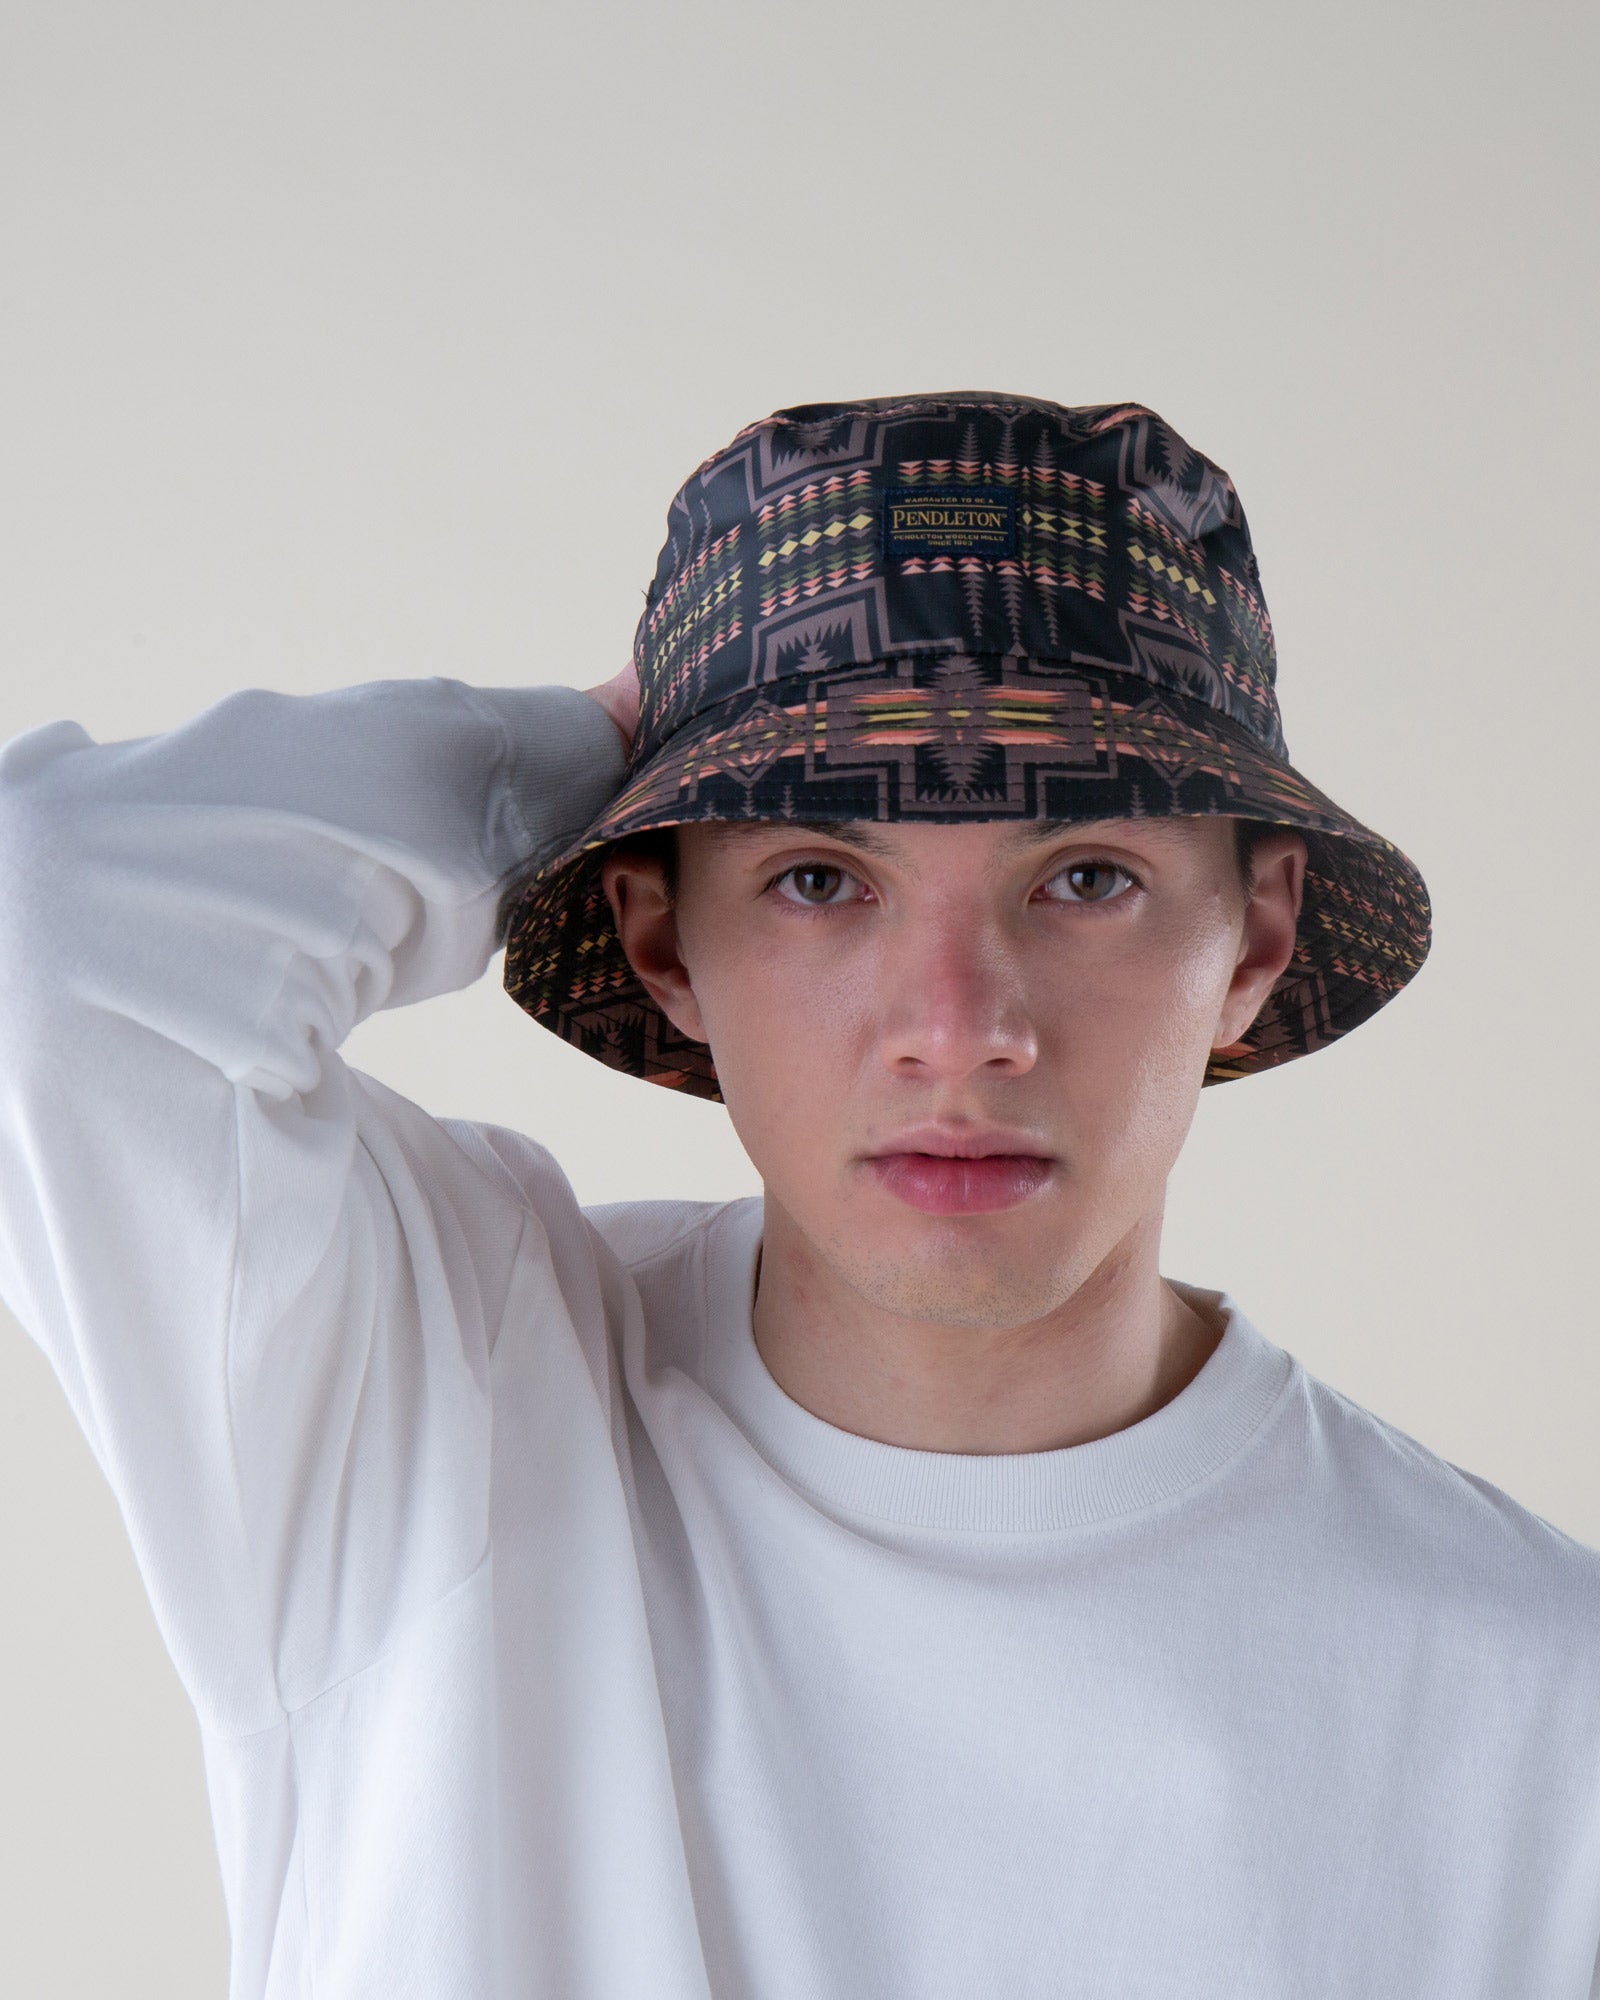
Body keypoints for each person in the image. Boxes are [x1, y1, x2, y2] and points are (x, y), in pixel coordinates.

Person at [0, 393, 1596, 1999]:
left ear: (1255, 938)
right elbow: (41, 918)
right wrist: (581, 758)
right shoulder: (437, 1410)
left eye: (1087, 878)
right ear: (660, 939)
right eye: (821, 879)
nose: (958, 1030)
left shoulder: (1534, 1704)